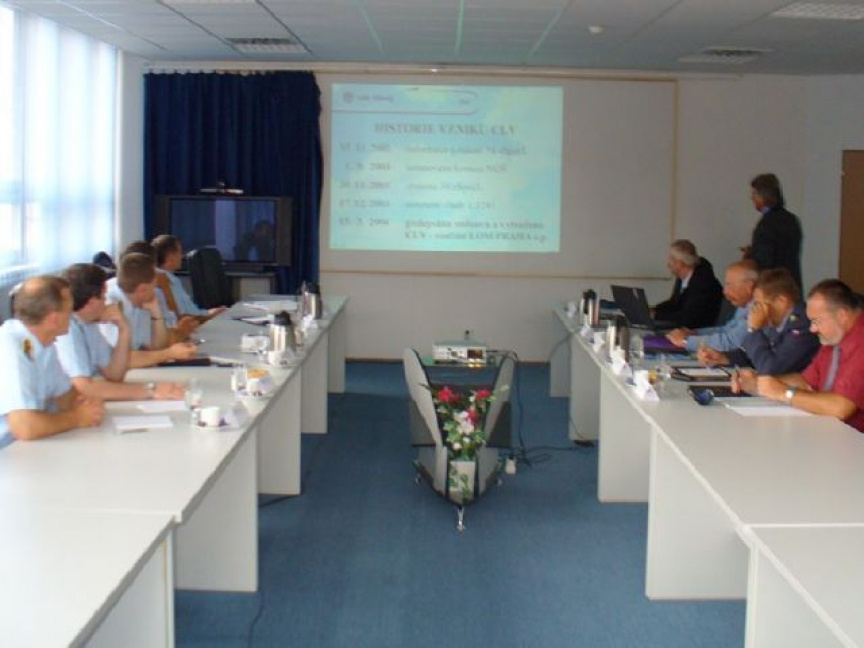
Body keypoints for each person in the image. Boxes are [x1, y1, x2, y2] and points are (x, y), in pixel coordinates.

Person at [733, 279, 864, 432]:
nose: (812, 329)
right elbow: (805, 381)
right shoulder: (834, 337)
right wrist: (759, 383)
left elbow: (841, 408)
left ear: (842, 315)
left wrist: (784, 393)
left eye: (816, 321)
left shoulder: (860, 340)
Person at [55, 263, 187, 401]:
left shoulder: (88, 324)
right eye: (103, 297)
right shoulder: (67, 330)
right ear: (92, 303)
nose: (106, 302)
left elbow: (114, 374)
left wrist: (124, 329)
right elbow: (84, 388)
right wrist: (152, 390)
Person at [0, 276, 104, 448]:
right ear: (54, 319)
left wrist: (88, 405)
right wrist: (77, 417)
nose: (73, 315)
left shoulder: (44, 344)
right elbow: (25, 427)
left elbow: (66, 398)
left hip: (27, 447)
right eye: (69, 310)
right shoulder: (10, 347)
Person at [699, 268, 819, 375]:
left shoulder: (802, 326)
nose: (755, 310)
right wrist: (723, 357)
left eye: (759, 304)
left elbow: (770, 369)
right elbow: (756, 354)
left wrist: (753, 330)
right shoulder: (776, 321)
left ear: (781, 302)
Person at [101, 252, 198, 368]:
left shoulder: (145, 298)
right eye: (154, 284)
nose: (156, 288)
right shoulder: (107, 302)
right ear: (142, 289)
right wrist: (168, 354)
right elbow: (118, 358)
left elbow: (158, 347)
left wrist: (156, 312)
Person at [667, 260, 758, 352]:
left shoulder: (758, 309)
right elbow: (726, 330)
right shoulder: (745, 305)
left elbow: (729, 342)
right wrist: (694, 333)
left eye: (730, 285)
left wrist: (686, 341)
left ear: (749, 286)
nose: (725, 291)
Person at [121, 240, 199, 340]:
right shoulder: (119, 299)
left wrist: (180, 328)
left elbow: (172, 326)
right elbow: (152, 344)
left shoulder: (153, 293)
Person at [742, 173, 803, 289]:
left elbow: (763, 261)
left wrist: (750, 256)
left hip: (773, 287)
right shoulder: (791, 219)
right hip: (792, 284)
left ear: (763, 195)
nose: (751, 198)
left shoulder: (766, 224)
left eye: (754, 193)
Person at [152, 234, 227, 321]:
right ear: (170, 255)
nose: (182, 256)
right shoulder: (164, 282)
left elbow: (191, 312)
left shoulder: (173, 279)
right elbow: (182, 318)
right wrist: (209, 315)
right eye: (180, 252)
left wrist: (210, 313)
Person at [653, 239, 723, 329]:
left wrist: (656, 315)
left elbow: (688, 318)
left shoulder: (702, 283)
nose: (668, 264)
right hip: (686, 327)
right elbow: (674, 303)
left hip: (700, 330)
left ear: (680, 263)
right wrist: (653, 310)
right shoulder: (682, 277)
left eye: (671, 259)